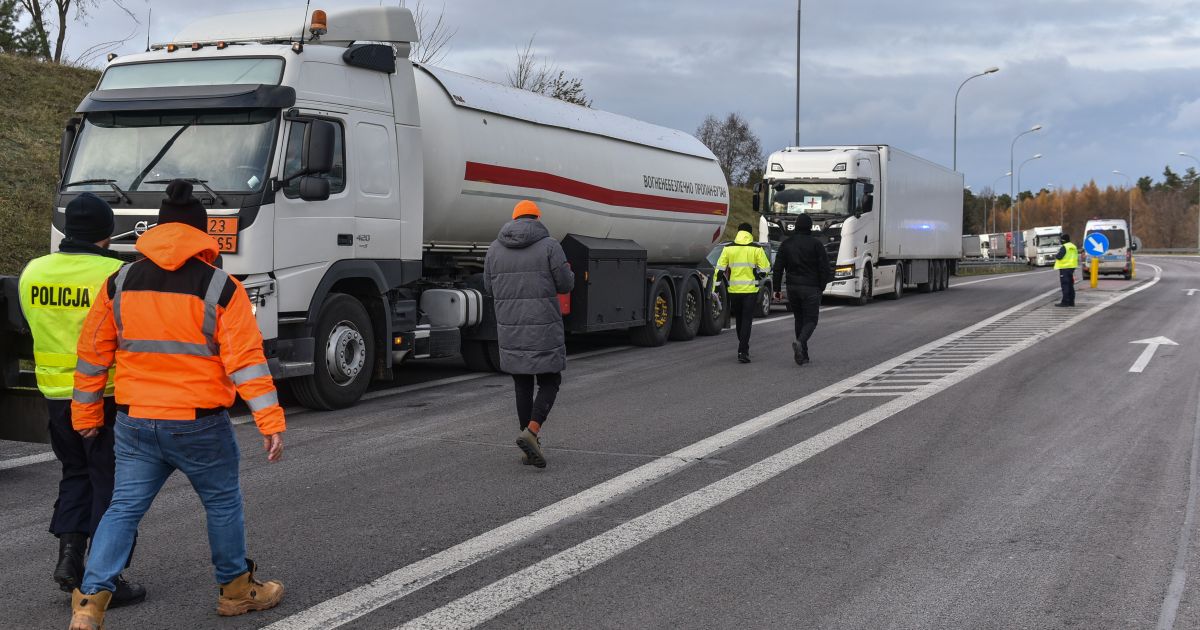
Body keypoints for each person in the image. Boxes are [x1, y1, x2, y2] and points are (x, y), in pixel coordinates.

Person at [67, 180, 287, 630]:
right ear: (202, 236)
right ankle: (235, 592)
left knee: (123, 507)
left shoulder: (119, 282)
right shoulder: (221, 287)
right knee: (222, 503)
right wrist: (269, 421)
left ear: (157, 230)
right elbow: (246, 362)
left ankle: (89, 603)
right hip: (199, 425)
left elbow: (92, 357)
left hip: (135, 420)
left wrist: (86, 417)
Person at [17, 193, 146, 607]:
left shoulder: (33, 271)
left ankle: (69, 559)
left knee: (75, 473)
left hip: (55, 394)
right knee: (112, 484)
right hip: (107, 394)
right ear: (107, 232)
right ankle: (108, 578)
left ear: (68, 229)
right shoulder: (117, 273)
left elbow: (26, 324)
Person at [484, 200, 574, 469]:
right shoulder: (550, 246)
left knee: (522, 384)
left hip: (511, 328)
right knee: (550, 380)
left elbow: (489, 286)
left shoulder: (494, 249)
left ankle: (529, 444)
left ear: (513, 219)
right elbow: (565, 284)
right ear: (537, 218)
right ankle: (532, 432)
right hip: (542, 326)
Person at [772, 214, 832, 365]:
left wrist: (777, 289)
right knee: (811, 320)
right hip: (812, 287)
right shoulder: (816, 244)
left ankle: (803, 355)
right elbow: (824, 267)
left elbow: (778, 268)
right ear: (810, 227)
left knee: (799, 319)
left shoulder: (786, 244)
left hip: (793, 287)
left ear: (796, 226)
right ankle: (800, 343)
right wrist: (822, 285)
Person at [713, 222, 771, 363]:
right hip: (751, 290)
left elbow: (719, 269)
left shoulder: (728, 248)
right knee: (747, 321)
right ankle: (743, 350)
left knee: (739, 320)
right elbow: (766, 268)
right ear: (750, 233)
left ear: (738, 232)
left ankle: (742, 346)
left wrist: (715, 288)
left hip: (734, 291)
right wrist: (758, 276)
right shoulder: (756, 249)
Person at [1054, 232, 1078, 307]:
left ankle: (1065, 302)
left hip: (1064, 268)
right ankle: (1071, 302)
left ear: (1063, 240)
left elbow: (1059, 256)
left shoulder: (1064, 247)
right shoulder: (1073, 246)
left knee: (1065, 285)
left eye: (1061, 240)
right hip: (1072, 268)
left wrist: (1056, 255)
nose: (1060, 241)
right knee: (1070, 285)